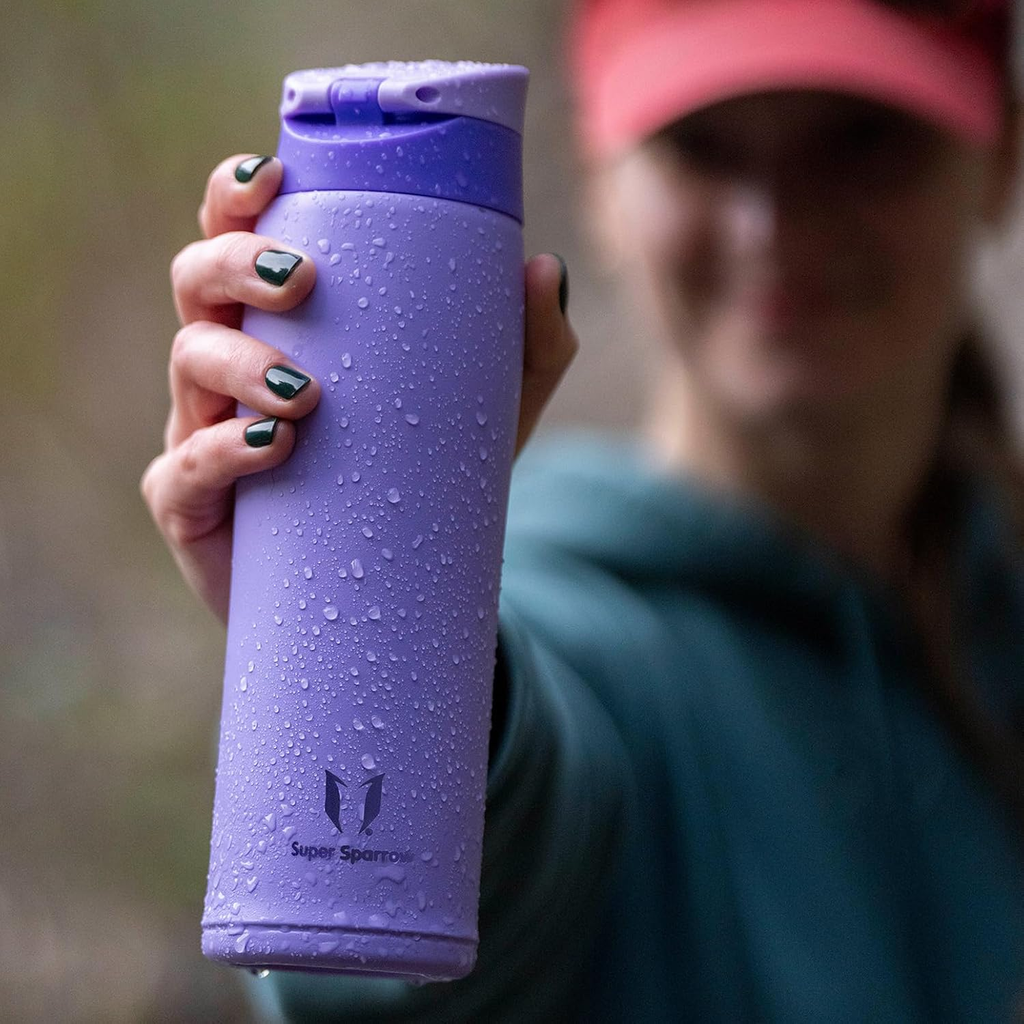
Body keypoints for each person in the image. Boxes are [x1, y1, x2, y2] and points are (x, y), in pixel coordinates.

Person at [140, 0, 1024, 1020]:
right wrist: (367, 660)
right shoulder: (557, 639)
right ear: (598, 176)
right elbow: (395, 970)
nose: (772, 223)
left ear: (1002, 155)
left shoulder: (998, 623)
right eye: (702, 148)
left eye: (860, 141)